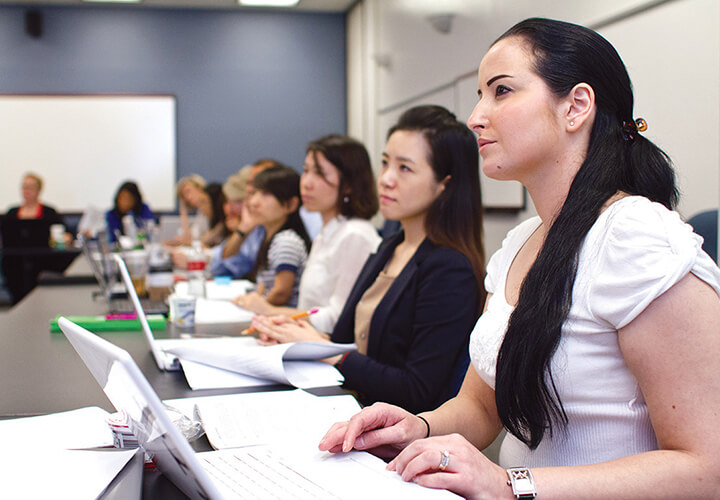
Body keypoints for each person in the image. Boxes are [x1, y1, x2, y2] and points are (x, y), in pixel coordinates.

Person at [318, 18, 720, 499]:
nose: (475, 117)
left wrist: (509, 483)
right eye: (480, 94)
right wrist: (415, 428)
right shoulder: (522, 241)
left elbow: (707, 469)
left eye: (501, 91)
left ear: (576, 106)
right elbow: (482, 408)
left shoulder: (638, 239)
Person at [250, 105, 485, 414]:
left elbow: (417, 390)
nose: (386, 179)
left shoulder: (450, 268)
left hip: (393, 434)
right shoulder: (390, 247)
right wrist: (299, 338)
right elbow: (348, 342)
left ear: (445, 184)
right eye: (386, 163)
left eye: (405, 168)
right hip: (349, 406)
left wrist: (325, 351)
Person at [235, 134, 381, 333]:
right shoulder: (327, 233)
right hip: (307, 340)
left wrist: (269, 311)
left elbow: (340, 318)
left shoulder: (355, 235)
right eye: (306, 171)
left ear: (348, 185)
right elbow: (310, 308)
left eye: (320, 174)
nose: (306, 183)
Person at [233, 165, 311, 308]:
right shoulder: (271, 239)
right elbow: (265, 286)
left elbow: (281, 293)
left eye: (266, 194)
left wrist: (254, 307)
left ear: (291, 204)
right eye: (255, 193)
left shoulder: (286, 241)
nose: (253, 202)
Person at [168, 174, 226, 247]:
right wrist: (183, 210)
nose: (187, 197)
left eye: (188, 191)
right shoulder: (201, 213)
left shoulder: (220, 219)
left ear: (199, 188)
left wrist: (187, 243)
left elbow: (201, 240)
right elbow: (194, 239)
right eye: (183, 196)